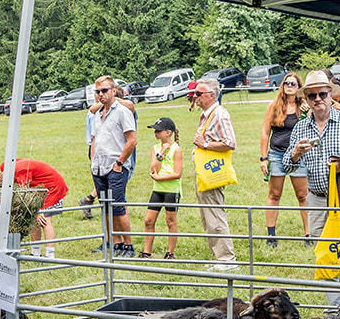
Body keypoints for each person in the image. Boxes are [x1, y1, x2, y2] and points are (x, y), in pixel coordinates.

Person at [285, 68, 340, 248]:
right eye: (312, 96)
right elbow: (287, 166)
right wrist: (295, 154)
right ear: (307, 100)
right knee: (323, 256)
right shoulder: (300, 127)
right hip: (316, 200)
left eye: (322, 94)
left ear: (330, 95)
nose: (318, 99)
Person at [190, 77, 240, 268]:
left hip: (212, 172)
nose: (195, 97)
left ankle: (227, 259)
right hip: (204, 172)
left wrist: (204, 144)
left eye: (199, 94)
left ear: (212, 95)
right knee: (207, 214)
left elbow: (230, 142)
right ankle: (220, 257)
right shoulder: (207, 114)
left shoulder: (219, 114)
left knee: (214, 213)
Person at [88, 75, 138, 258]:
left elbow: (132, 140)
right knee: (106, 207)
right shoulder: (97, 115)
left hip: (116, 166)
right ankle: (113, 243)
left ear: (114, 91)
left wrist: (119, 162)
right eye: (98, 91)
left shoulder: (122, 111)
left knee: (118, 207)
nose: (101, 94)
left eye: (104, 90)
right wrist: (93, 161)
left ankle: (128, 246)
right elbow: (94, 139)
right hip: (99, 167)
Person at [259, 72, 309, 247]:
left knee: (303, 196)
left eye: (293, 84)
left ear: (299, 87)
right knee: (274, 194)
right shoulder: (274, 106)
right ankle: (271, 236)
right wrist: (264, 158)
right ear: (283, 86)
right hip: (277, 154)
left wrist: (307, 112)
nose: (289, 86)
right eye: (287, 83)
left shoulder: (304, 106)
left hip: (299, 155)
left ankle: (308, 235)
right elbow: (265, 133)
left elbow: (311, 128)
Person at [6, 158, 68, 257]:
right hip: (40, 191)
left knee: (45, 220)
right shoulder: (7, 166)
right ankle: (35, 253)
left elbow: (24, 192)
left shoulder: (19, 171)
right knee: (34, 220)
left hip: (53, 189)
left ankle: (50, 254)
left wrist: (39, 210)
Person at [141, 116, 182, 259]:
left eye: (158, 130)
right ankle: (147, 252)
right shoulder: (155, 148)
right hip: (157, 189)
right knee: (148, 220)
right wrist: (161, 153)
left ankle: (170, 252)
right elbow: (154, 168)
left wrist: (160, 177)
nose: (155, 133)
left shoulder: (176, 149)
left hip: (171, 190)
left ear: (168, 132)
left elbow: (177, 173)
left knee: (170, 221)